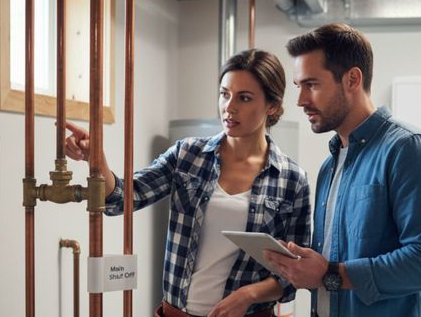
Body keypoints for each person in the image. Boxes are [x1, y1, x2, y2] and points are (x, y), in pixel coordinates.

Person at [64, 49, 311, 317]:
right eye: (224, 94)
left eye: (245, 98)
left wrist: (248, 295)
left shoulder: (291, 179)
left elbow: (294, 273)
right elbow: (124, 198)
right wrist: (96, 160)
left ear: (272, 106)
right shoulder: (187, 155)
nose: (229, 106)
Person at [264, 23, 421, 317]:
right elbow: (333, 261)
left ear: (352, 79)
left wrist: (330, 273)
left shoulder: (409, 149)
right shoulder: (330, 164)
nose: (301, 100)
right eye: (298, 86)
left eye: (311, 85)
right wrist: (302, 265)